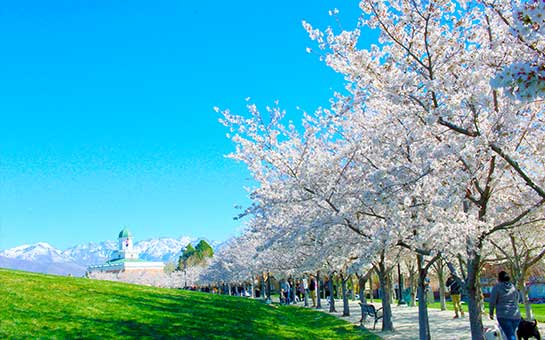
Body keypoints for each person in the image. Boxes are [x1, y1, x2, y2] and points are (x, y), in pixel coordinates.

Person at [489, 271, 521, 340]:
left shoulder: (497, 287)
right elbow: (517, 298)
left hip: (503, 315)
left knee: (510, 335)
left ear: (499, 278)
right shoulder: (513, 287)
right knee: (511, 334)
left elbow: (492, 301)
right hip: (516, 315)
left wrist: (491, 313)